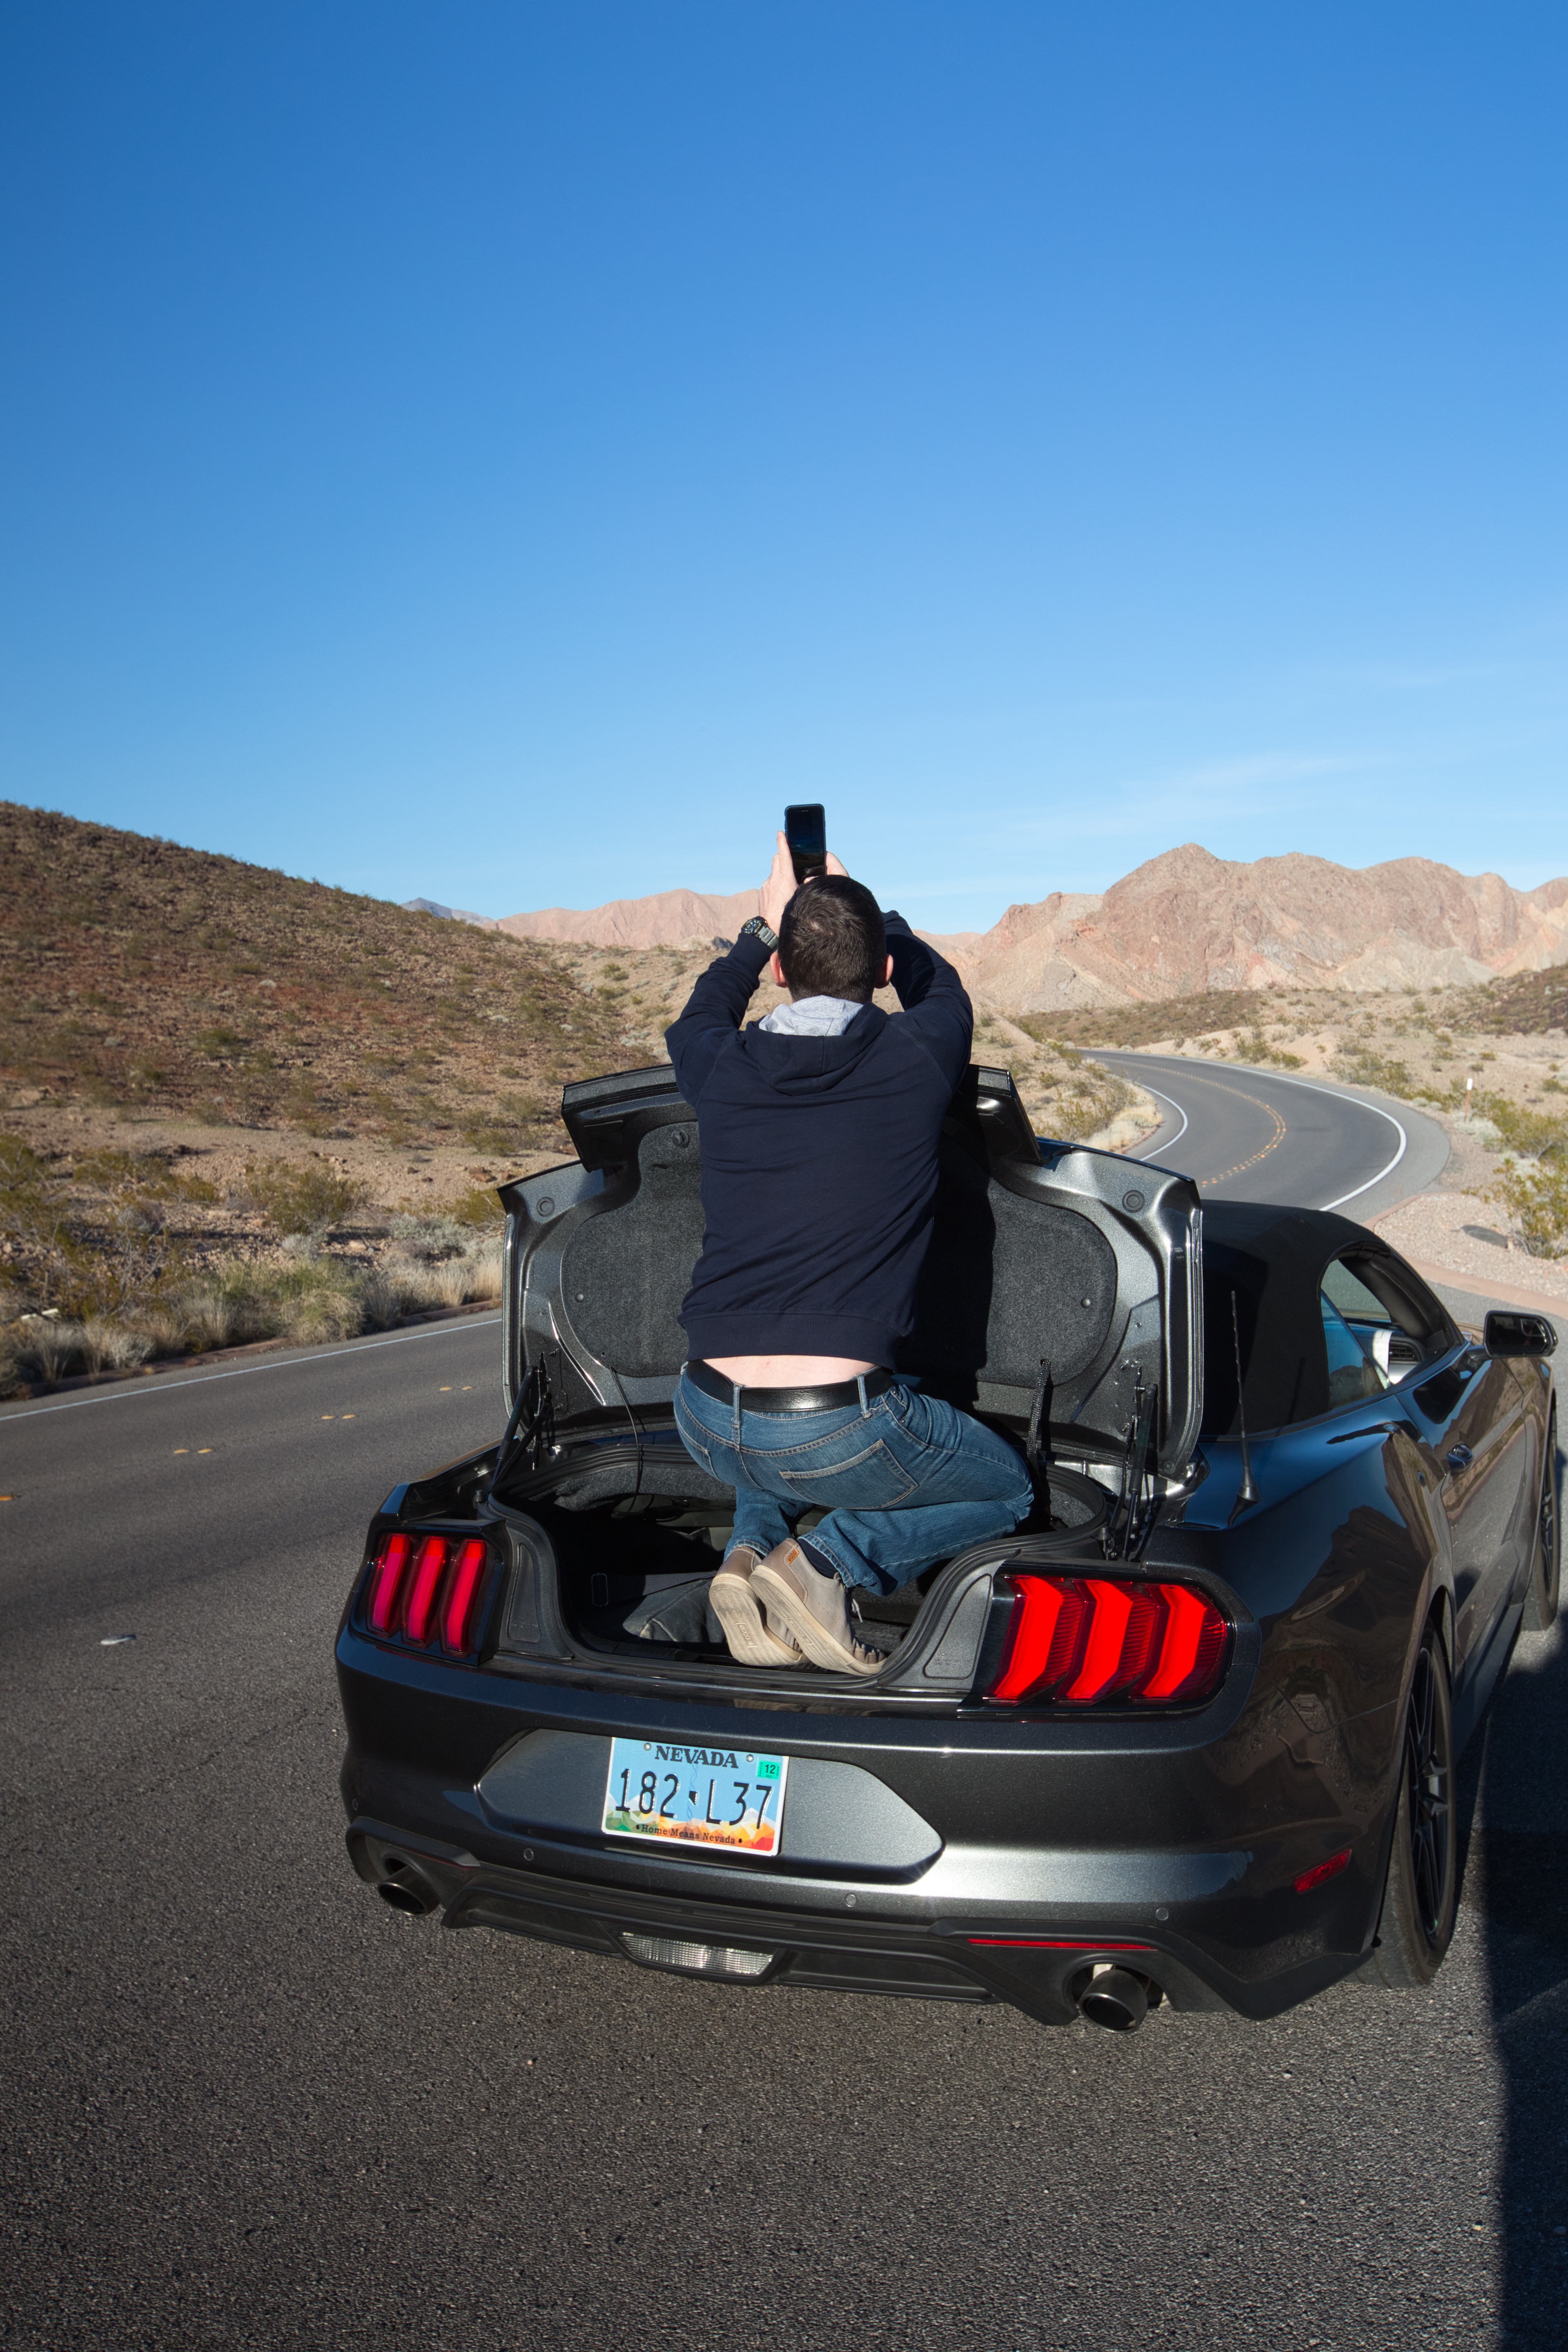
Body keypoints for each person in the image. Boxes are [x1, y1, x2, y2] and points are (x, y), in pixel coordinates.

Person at [665, 831, 1035, 1675]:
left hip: (704, 1419)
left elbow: (701, 1013)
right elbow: (941, 984)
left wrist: (759, 930)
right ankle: (829, 1564)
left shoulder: (719, 1065)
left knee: (782, 1428)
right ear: (880, 970)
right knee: (1008, 1488)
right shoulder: (915, 1056)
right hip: (835, 1427)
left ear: (779, 973)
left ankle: (749, 1553)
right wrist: (880, 919)